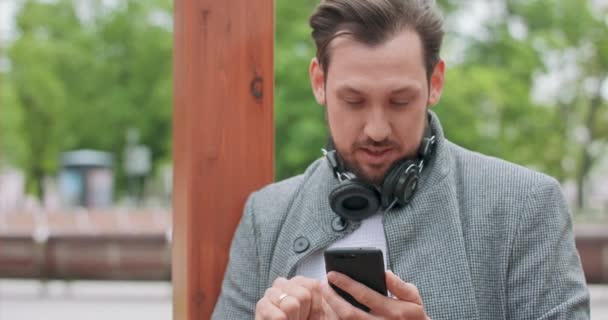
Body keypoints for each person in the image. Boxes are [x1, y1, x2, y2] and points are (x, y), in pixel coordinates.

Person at [212, 0, 590, 319]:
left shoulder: (526, 205)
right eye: (354, 101)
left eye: (400, 101)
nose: (377, 128)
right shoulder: (266, 215)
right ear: (318, 83)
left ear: (436, 82)